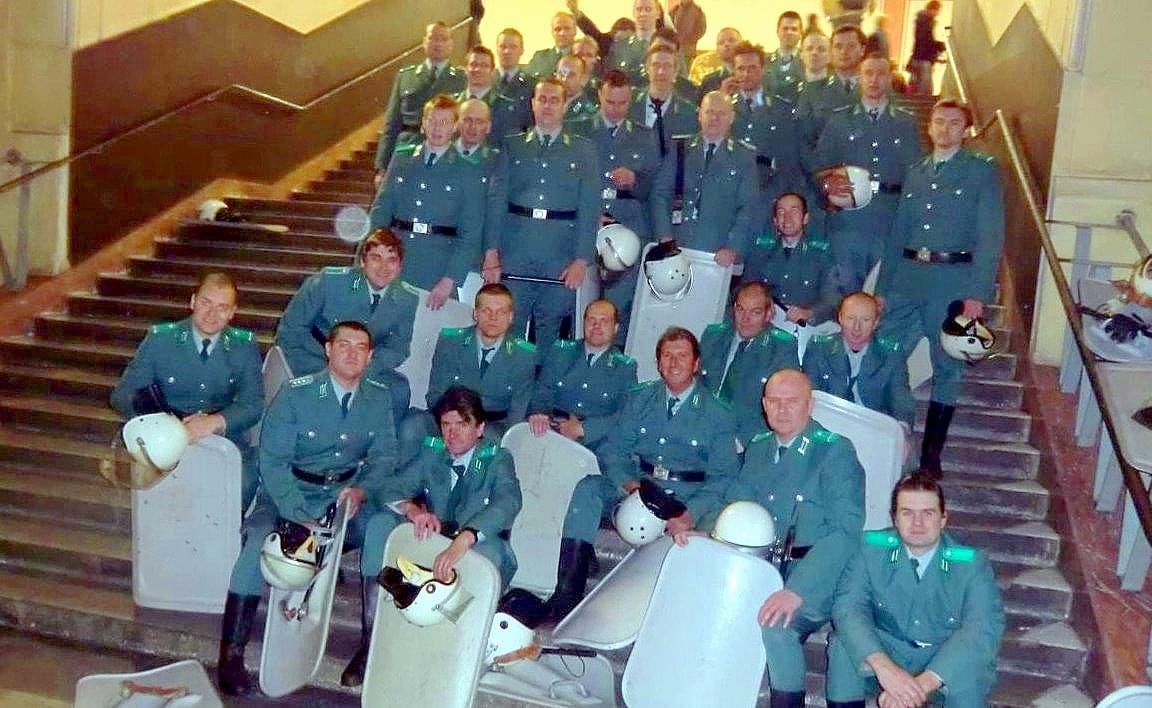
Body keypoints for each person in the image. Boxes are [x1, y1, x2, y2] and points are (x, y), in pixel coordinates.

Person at [217, 321, 400, 695]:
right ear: (328, 350)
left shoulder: (378, 398)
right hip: (289, 492)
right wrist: (298, 513)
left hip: (343, 499)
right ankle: (231, 656)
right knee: (256, 545)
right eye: (343, 345)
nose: (351, 353)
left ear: (370, 356)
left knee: (381, 528)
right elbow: (272, 461)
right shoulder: (296, 393)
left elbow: (385, 457)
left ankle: (369, 646)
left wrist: (362, 490)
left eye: (360, 347)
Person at [694, 368, 865, 708]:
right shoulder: (760, 447)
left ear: (810, 405)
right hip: (764, 567)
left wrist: (797, 590)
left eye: (792, 401)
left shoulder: (833, 451)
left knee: (776, 626)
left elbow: (845, 531)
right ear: (764, 405)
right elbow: (736, 500)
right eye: (774, 401)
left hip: (817, 575)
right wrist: (704, 531)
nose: (782, 409)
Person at [544, 327, 739, 619]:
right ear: (658, 363)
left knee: (716, 526)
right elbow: (613, 450)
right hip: (640, 486)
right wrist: (630, 484)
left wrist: (690, 514)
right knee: (589, 488)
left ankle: (680, 613)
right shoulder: (639, 398)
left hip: (688, 496)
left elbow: (724, 476)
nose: (674, 363)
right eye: (667, 356)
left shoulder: (718, 412)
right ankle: (567, 592)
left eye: (682, 356)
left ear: (696, 363)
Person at [875, 100, 1004, 478]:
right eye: (939, 121)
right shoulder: (916, 171)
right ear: (929, 127)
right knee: (885, 354)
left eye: (954, 123)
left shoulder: (980, 171)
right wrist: (882, 287)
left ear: (966, 130)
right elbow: (898, 233)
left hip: (952, 283)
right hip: (907, 279)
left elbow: (990, 235)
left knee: (947, 367)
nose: (945, 129)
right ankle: (891, 432)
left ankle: (932, 456)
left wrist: (977, 294)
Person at [826, 472, 1004, 707]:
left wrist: (917, 687)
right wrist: (886, 669)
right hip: (888, 654)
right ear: (895, 518)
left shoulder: (971, 564)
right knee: (842, 646)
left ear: (943, 519)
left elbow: (982, 629)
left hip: (943, 662)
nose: (917, 523)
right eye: (907, 513)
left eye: (927, 513)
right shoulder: (871, 549)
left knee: (970, 671)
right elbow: (848, 609)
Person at [110, 272, 263, 509]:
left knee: (240, 487)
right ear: (192, 302)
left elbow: (253, 404)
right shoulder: (161, 339)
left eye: (222, 307)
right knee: (151, 493)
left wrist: (215, 422)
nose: (212, 314)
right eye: (206, 303)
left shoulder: (244, 346)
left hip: (220, 435)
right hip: (162, 432)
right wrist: (163, 422)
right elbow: (123, 395)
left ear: (233, 312)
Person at [373, 385, 522, 603]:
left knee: (491, 556)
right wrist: (412, 509)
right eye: (446, 425)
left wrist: (466, 538)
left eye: (462, 425)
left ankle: (469, 619)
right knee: (381, 523)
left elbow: (509, 501)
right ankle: (377, 611)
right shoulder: (433, 453)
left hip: (477, 542)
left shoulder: (497, 458)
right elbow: (388, 488)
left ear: (480, 428)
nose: (452, 434)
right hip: (435, 536)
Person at [486, 77, 599, 349]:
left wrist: (581, 259)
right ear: (533, 104)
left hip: (560, 255)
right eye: (543, 99)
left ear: (565, 106)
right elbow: (497, 201)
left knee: (550, 329)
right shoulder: (513, 145)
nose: (548, 106)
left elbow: (589, 207)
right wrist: (490, 252)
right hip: (516, 250)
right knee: (509, 327)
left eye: (555, 100)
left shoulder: (583, 150)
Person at [275, 229, 418, 410]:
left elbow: (398, 348)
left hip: (364, 368)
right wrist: (327, 371)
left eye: (391, 260)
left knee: (398, 389)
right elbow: (290, 331)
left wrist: (362, 370)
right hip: (316, 360)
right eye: (376, 258)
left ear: (400, 266)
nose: (384, 267)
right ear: (362, 262)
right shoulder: (329, 282)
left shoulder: (406, 299)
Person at [814, 53, 920, 293]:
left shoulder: (906, 123)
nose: (874, 79)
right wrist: (827, 186)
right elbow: (820, 167)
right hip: (847, 222)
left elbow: (915, 176)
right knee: (842, 293)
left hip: (889, 220)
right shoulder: (839, 120)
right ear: (859, 78)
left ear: (890, 78)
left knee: (882, 294)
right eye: (868, 73)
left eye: (881, 73)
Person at [368, 97, 486, 307]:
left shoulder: (468, 169)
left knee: (431, 326)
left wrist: (450, 279)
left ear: (455, 126)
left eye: (444, 122)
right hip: (395, 259)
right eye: (432, 121)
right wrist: (372, 257)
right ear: (423, 123)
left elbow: (470, 233)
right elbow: (381, 210)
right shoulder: (402, 158)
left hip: (438, 265)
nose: (437, 128)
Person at [578, 70, 663, 337]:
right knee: (582, 305)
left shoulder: (644, 136)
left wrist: (635, 180)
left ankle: (616, 355)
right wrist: (589, 215)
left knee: (621, 307)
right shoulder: (579, 130)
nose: (616, 109)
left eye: (623, 103)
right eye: (610, 102)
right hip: (588, 225)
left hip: (630, 227)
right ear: (599, 96)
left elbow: (656, 187)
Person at [410, 283, 538, 453]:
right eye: (486, 310)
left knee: (490, 442)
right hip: (449, 417)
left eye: (501, 312)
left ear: (511, 317)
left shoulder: (524, 355)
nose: (493, 317)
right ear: (475, 314)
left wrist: (473, 430)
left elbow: (517, 413)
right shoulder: (450, 342)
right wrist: (455, 425)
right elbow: (436, 394)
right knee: (412, 427)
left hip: (491, 426)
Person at [651, 90, 761, 266]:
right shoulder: (680, 149)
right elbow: (660, 194)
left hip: (719, 254)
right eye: (709, 112)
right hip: (675, 247)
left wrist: (733, 247)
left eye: (721, 113)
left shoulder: (743, 156)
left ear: (731, 118)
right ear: (700, 115)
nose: (714, 118)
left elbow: (748, 207)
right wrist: (664, 235)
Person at [528, 299, 638, 453]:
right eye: (591, 319)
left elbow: (626, 413)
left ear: (615, 328)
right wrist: (539, 413)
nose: (596, 326)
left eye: (604, 321)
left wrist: (584, 429)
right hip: (554, 429)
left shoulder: (625, 367)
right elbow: (542, 390)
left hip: (595, 441)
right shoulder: (560, 352)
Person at [699, 282, 799, 444]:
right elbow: (694, 385)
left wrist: (748, 442)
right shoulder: (714, 335)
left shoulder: (781, 348)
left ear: (768, 314)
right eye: (740, 309)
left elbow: (784, 407)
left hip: (743, 440)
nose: (746, 319)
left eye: (755, 312)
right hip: (700, 429)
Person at [804, 292, 915, 432]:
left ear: (876, 323)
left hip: (873, 427)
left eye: (865, 320)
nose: (857, 327)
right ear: (840, 318)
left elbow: (900, 395)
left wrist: (902, 429)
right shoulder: (818, 348)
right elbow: (810, 392)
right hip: (828, 426)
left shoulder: (891, 354)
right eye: (851, 318)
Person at [374, 22, 466, 175]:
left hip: (446, 153)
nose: (438, 44)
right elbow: (392, 123)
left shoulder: (462, 79)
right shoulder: (406, 76)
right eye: (433, 38)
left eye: (443, 39)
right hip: (408, 150)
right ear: (424, 42)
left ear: (451, 45)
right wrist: (382, 166)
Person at [744, 192, 839, 328]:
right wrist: (762, 300)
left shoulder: (822, 254)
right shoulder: (761, 251)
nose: (787, 218)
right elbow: (745, 289)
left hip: (804, 326)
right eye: (781, 212)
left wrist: (809, 313)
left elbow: (832, 299)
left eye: (794, 211)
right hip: (765, 324)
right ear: (775, 220)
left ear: (805, 218)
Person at [726, 41, 804, 197]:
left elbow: (789, 158)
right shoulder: (725, 108)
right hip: (732, 188)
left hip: (771, 189)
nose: (746, 74)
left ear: (763, 69)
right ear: (734, 71)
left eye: (752, 68)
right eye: (741, 68)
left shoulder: (782, 108)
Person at [796, 24, 866, 150]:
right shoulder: (812, 91)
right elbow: (802, 139)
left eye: (851, 46)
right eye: (838, 46)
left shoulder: (876, 89)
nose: (844, 52)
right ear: (831, 51)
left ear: (862, 49)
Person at [628, 44, 698, 159]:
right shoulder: (628, 104)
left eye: (667, 66)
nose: (661, 72)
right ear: (647, 69)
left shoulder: (689, 113)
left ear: (676, 72)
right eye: (656, 65)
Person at [568, 0, 659, 82]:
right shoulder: (612, 47)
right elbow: (594, 34)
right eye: (639, 9)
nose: (643, 13)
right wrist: (577, 13)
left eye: (648, 9)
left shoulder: (660, 42)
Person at [456, 45, 532, 141]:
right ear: (465, 69)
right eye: (473, 65)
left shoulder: (508, 110)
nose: (478, 69)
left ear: (492, 71)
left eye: (484, 66)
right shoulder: (452, 105)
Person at [907, 1, 946, 95]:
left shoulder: (922, 20)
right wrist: (938, 46)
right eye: (937, 10)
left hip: (919, 56)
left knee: (918, 85)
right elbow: (925, 39)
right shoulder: (925, 21)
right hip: (924, 57)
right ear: (932, 9)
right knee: (924, 87)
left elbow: (923, 39)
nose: (938, 13)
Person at [765, 11, 805, 99]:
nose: (789, 32)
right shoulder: (765, 62)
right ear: (777, 32)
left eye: (794, 29)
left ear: (801, 34)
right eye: (785, 28)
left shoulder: (807, 61)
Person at [525, 12, 578, 79]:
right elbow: (525, 80)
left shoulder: (580, 57)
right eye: (557, 29)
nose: (562, 33)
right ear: (552, 32)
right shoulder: (539, 57)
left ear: (575, 31)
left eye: (567, 28)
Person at [555, 54, 599, 129]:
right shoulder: (548, 105)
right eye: (561, 74)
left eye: (571, 75)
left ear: (583, 78)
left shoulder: (589, 113)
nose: (564, 79)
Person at [494, 28, 535, 104]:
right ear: (496, 50)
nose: (507, 51)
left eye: (513, 47)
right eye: (502, 47)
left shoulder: (531, 85)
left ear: (522, 50)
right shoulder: (486, 80)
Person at [697, 27, 744, 95]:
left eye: (731, 40)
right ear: (717, 51)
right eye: (721, 43)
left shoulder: (757, 75)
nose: (726, 44)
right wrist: (721, 95)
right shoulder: (709, 82)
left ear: (742, 45)